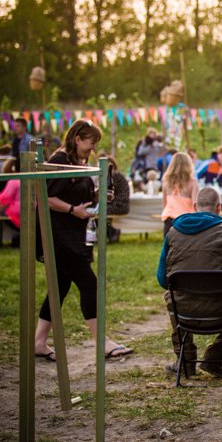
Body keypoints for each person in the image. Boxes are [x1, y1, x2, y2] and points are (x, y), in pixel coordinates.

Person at [34, 119, 133, 362]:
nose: (92, 150)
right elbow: (44, 197)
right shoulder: (59, 161)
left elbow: (79, 193)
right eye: (90, 144)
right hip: (58, 235)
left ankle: (38, 342)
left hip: (73, 234)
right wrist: (71, 210)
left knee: (60, 286)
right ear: (77, 139)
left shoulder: (78, 162)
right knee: (89, 283)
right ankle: (102, 343)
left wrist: (100, 195)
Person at [156, 186, 222, 377]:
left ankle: (185, 361)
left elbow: (162, 279)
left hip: (183, 313)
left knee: (171, 295)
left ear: (195, 206)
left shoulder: (172, 232)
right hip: (220, 312)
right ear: (219, 208)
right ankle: (214, 357)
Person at [161, 151, 200, 236]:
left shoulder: (166, 182)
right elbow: (195, 205)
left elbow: (164, 204)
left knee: (170, 246)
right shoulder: (193, 183)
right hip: (187, 219)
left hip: (169, 219)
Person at [0, 159, 20, 246]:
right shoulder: (32, 179)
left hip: (17, 210)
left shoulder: (14, 181)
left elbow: (5, 197)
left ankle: (20, 233)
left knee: (4, 214)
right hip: (32, 208)